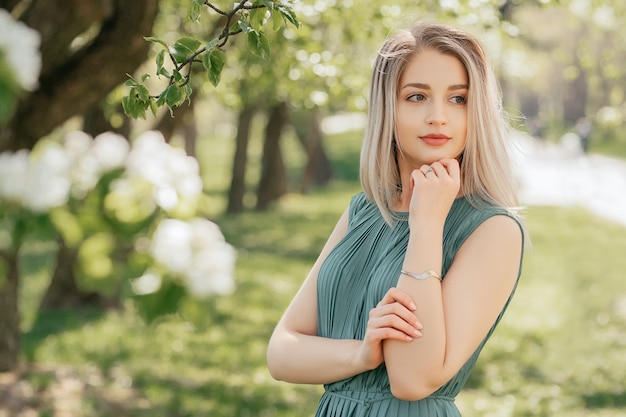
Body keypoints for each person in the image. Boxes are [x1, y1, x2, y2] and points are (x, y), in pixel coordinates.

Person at [267, 22, 526, 416]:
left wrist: (427, 225)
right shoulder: (363, 212)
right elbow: (282, 352)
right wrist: (361, 355)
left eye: (458, 99)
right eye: (417, 96)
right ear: (388, 106)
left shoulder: (494, 229)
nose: (438, 116)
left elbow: (411, 379)